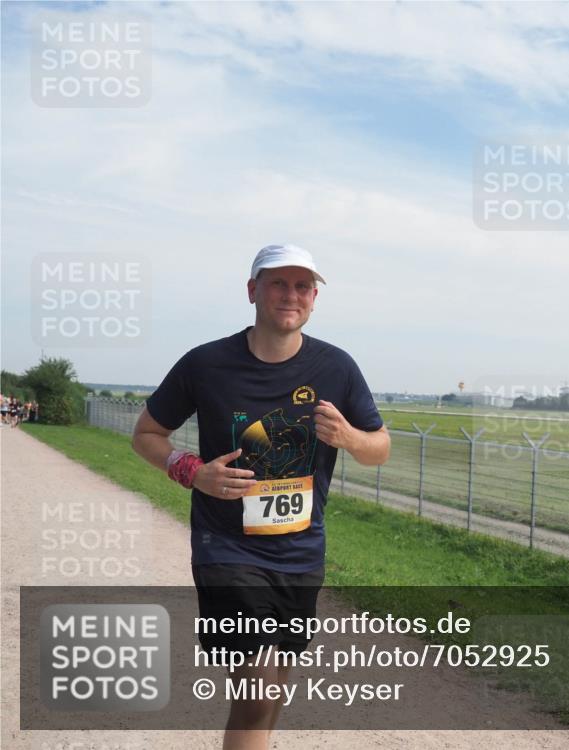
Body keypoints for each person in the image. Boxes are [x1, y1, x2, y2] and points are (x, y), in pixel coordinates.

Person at [131, 243, 390, 750]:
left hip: (299, 549)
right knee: (257, 682)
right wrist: (191, 471)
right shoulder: (205, 364)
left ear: (314, 298)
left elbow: (378, 447)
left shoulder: (337, 367)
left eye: (302, 286)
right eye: (277, 283)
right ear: (253, 290)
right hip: (225, 546)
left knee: (272, 689)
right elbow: (146, 434)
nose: (290, 295)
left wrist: (351, 439)